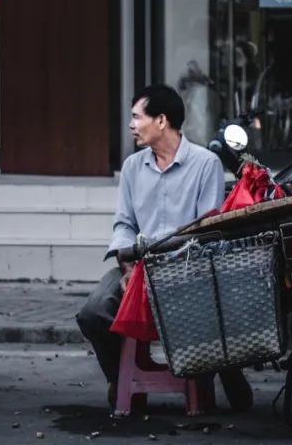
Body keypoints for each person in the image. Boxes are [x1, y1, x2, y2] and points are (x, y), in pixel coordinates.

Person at [76, 84, 254, 412]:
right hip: (139, 264)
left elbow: (207, 229)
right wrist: (129, 267)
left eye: (136, 117)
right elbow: (124, 225)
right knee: (93, 312)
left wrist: (168, 271)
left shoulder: (205, 164)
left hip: (191, 268)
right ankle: (121, 377)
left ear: (161, 121)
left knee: (211, 310)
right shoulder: (132, 167)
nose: (131, 125)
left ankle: (225, 368)